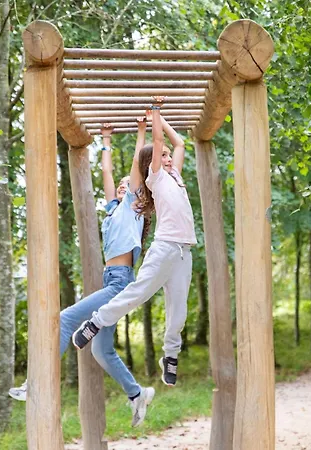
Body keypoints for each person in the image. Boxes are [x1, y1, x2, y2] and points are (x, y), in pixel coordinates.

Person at [9, 121, 154, 427]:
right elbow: (106, 173)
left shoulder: (134, 207)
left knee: (65, 319)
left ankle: (36, 383)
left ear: (137, 190)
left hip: (120, 283)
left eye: (128, 184)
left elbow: (136, 163)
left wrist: (142, 131)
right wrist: (105, 141)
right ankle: (137, 393)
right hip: (111, 280)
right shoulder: (114, 210)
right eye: (120, 186)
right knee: (101, 350)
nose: (122, 186)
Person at [72, 99, 197, 388]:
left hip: (184, 253)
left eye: (168, 157)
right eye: (162, 156)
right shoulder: (157, 178)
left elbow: (179, 144)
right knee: (138, 293)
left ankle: (170, 355)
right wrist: (156, 115)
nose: (168, 158)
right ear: (152, 164)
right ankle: (96, 322)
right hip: (165, 247)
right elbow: (158, 141)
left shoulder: (176, 177)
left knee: (179, 310)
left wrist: (160, 120)